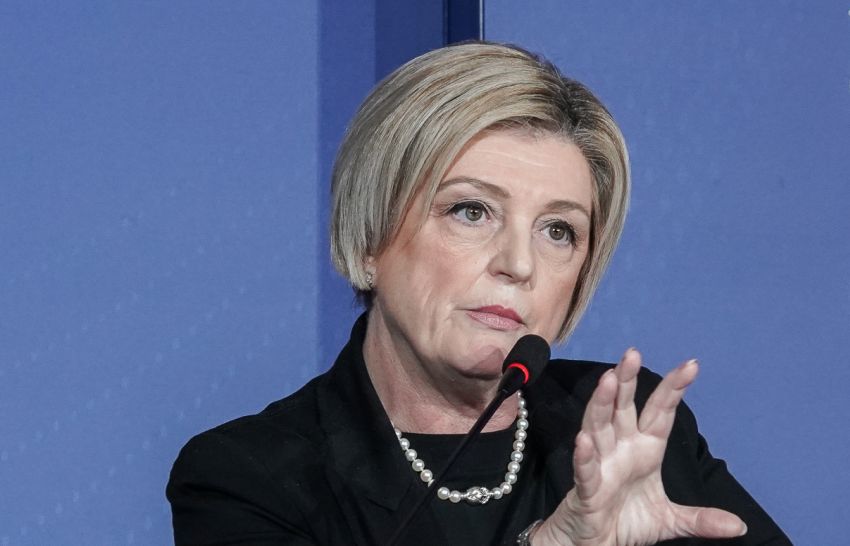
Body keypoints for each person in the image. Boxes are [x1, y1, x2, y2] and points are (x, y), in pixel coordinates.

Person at [167, 42, 789, 545]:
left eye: (558, 230)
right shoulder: (251, 477)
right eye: (471, 211)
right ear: (369, 238)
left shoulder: (630, 430)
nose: (518, 264)